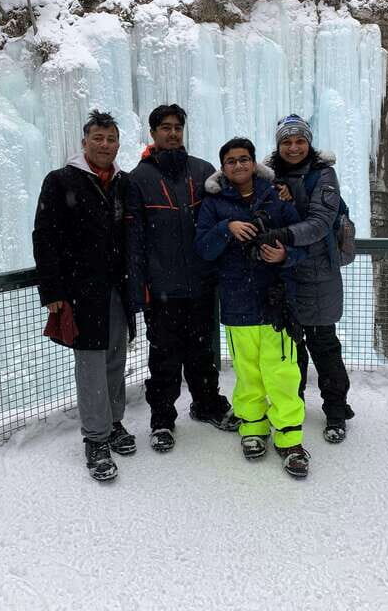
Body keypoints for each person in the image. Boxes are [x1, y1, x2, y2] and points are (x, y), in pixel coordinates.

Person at [126, 104, 240, 452]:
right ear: (153, 133)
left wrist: (276, 190)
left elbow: (235, 202)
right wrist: (138, 287)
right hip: (162, 289)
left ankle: (206, 405)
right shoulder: (138, 179)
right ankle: (162, 419)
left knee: (203, 352)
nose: (172, 133)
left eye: (177, 127)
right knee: (164, 357)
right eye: (165, 127)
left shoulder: (203, 172)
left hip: (202, 284)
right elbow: (134, 240)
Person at [195, 137, 310, 478]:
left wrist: (286, 255)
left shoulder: (275, 195)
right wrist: (225, 228)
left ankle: (290, 438)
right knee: (248, 372)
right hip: (237, 301)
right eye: (231, 161)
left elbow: (301, 238)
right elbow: (203, 248)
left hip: (277, 302)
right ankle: (253, 430)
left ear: (254, 162)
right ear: (223, 167)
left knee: (283, 373)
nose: (239, 166)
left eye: (244, 159)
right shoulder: (214, 204)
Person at [32, 110, 136, 482]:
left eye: (111, 139)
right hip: (81, 290)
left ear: (118, 144)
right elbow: (45, 236)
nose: (105, 145)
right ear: (84, 142)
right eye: (98, 138)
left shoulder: (122, 183)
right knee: (91, 362)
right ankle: (95, 438)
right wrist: (53, 290)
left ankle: (114, 422)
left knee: (115, 356)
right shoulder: (61, 181)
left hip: (117, 286)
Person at [257, 114, 354, 443]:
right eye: (286, 141)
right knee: (291, 349)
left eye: (299, 140)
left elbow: (320, 223)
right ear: (278, 144)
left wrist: (281, 234)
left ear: (309, 142)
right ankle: (291, 407)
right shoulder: (268, 175)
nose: (293, 147)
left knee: (323, 345)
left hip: (318, 275)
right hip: (283, 274)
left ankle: (336, 410)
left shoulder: (323, 175)